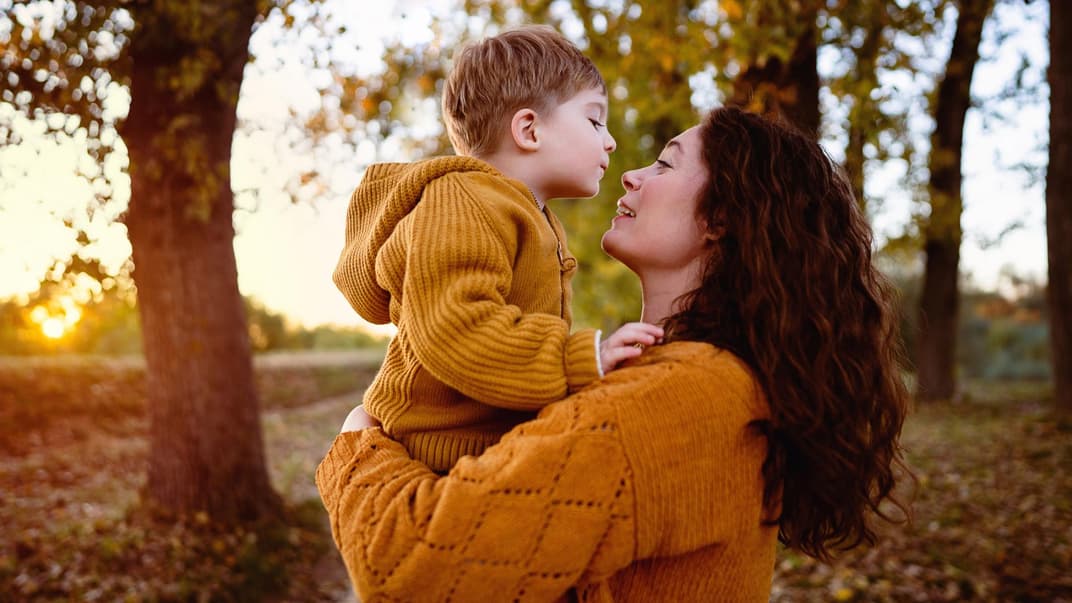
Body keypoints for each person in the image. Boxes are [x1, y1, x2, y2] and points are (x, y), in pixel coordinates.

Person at [318, 106, 910, 602]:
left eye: (665, 163)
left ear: (722, 218)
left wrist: (356, 443)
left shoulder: (673, 400)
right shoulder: (712, 383)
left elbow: (410, 571)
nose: (629, 174)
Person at [333, 25, 663, 473]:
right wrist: (581, 359)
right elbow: (456, 327)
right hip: (438, 456)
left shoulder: (524, 213)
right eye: (593, 119)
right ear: (529, 129)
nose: (610, 140)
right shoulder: (463, 201)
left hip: (490, 453)